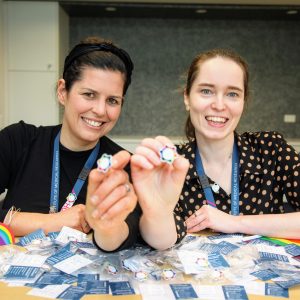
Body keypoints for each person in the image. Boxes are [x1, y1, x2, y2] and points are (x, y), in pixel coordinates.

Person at [131, 48, 300, 250]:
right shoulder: (174, 164)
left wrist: (234, 222)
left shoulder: (270, 149)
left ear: (243, 102)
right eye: (206, 91)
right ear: (187, 97)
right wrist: (158, 211)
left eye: (232, 94)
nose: (219, 105)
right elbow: (161, 240)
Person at [0, 36, 139, 252]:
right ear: (62, 91)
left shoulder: (122, 166)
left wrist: (105, 227)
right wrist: (52, 222)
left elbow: (123, 236)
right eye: (89, 94)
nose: (101, 110)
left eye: (112, 100)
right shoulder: (18, 141)